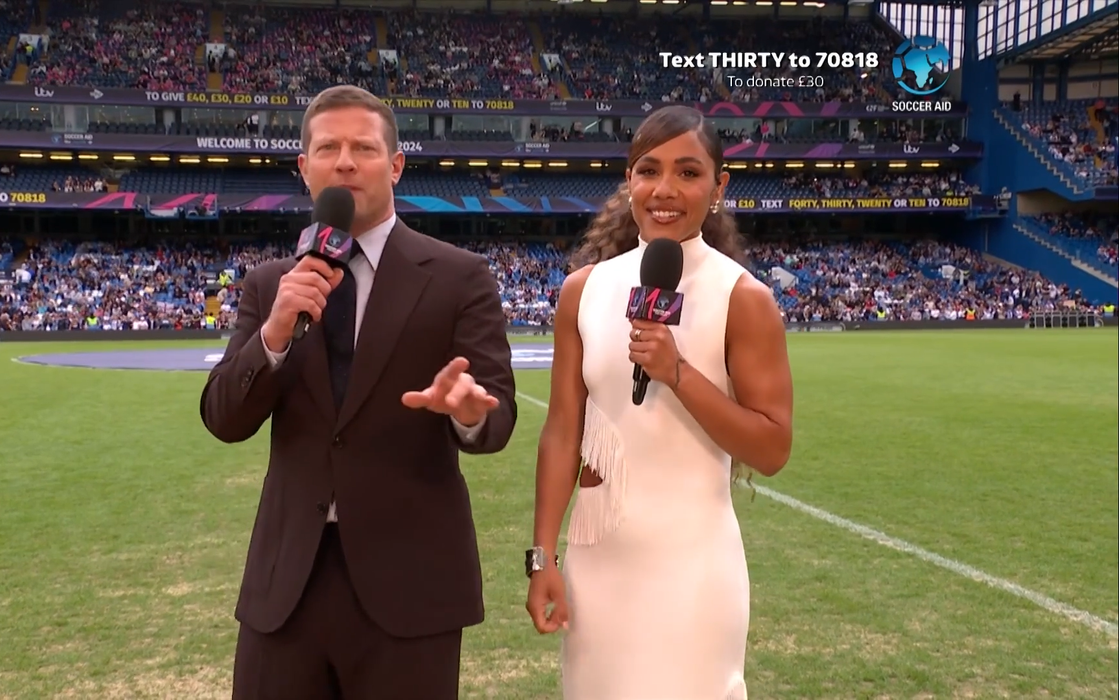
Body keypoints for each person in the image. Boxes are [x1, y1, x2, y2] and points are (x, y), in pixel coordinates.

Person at [200, 84, 518, 700]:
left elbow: (496, 416)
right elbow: (224, 418)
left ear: (395, 165)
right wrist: (272, 335)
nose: (345, 161)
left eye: (364, 148)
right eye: (328, 148)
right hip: (287, 585)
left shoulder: (459, 277)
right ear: (304, 167)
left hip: (411, 587)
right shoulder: (271, 285)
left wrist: (470, 414)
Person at [524, 105, 794, 699]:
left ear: (719, 186)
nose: (664, 190)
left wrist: (679, 374)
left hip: (694, 568)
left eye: (688, 173)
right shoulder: (583, 291)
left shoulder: (743, 299)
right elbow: (562, 433)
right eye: (648, 170)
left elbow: (772, 448)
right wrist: (541, 557)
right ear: (629, 180)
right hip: (597, 568)